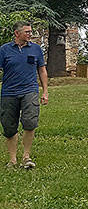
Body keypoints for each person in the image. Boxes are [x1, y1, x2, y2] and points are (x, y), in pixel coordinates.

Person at [0, 21, 49, 169]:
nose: (30, 34)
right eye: (27, 32)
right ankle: (12, 160)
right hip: (9, 93)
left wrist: (45, 91)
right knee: (9, 127)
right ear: (17, 33)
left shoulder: (36, 49)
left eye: (30, 31)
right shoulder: (4, 50)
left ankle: (26, 157)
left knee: (30, 122)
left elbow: (42, 70)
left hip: (30, 91)